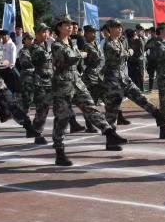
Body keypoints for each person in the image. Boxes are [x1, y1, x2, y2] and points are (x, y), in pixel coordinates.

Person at [50, 15, 121, 166]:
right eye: (66, 24)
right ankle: (59, 153)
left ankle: (109, 132)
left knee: (90, 107)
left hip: (76, 81)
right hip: (62, 84)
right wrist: (81, 54)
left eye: (71, 24)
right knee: (62, 119)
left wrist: (80, 54)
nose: (70, 27)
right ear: (58, 27)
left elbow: (78, 58)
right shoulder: (56, 45)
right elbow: (70, 57)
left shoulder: (72, 42)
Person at [0, 18, 44, 158]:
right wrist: (3, 63)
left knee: (13, 104)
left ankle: (29, 128)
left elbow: (0, 62)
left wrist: (3, 63)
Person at [100, 19, 165, 141]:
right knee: (112, 111)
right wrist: (129, 52)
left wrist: (128, 51)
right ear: (110, 29)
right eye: (116, 27)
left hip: (124, 78)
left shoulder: (120, 41)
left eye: (120, 27)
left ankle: (158, 116)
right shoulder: (108, 44)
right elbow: (120, 55)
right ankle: (111, 140)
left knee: (140, 97)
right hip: (113, 81)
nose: (119, 29)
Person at [79, 24, 105, 133]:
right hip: (90, 77)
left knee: (96, 101)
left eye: (95, 32)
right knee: (90, 103)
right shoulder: (86, 46)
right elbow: (97, 58)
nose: (94, 34)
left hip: (98, 76)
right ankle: (89, 125)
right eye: (92, 32)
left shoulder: (96, 44)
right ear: (86, 34)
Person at [16, 32, 37, 112]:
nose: (31, 40)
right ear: (24, 40)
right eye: (29, 39)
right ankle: (25, 115)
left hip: (36, 76)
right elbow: (27, 63)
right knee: (27, 98)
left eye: (32, 39)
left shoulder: (35, 49)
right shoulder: (23, 51)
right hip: (27, 77)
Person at [127, 25, 146, 90]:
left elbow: (140, 53)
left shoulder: (139, 41)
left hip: (138, 62)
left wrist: (132, 55)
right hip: (133, 62)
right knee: (133, 78)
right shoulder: (131, 41)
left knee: (139, 78)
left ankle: (140, 90)